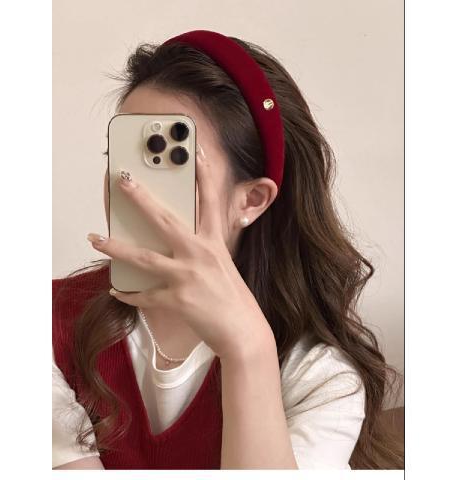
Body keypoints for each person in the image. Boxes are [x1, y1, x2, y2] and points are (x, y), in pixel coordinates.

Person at [52, 35, 403, 470]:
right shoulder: (43, 321)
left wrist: (248, 351)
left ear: (251, 200)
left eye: (170, 165)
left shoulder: (317, 376)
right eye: (122, 159)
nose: (131, 189)